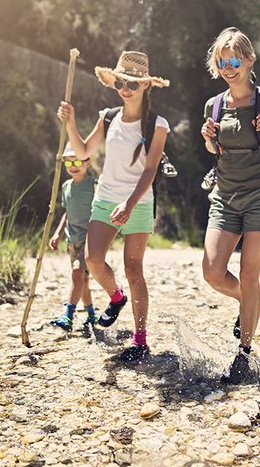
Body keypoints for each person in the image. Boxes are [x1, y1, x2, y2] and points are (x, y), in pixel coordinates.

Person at [200, 27, 260, 384]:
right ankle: (250, 304)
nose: (229, 67)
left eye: (235, 60)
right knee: (212, 271)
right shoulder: (214, 105)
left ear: (248, 60)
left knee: (248, 273)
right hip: (225, 196)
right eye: (222, 61)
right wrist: (210, 140)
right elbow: (216, 153)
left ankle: (243, 354)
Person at [57, 51, 170, 362]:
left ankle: (140, 340)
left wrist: (130, 204)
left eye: (133, 83)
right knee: (93, 260)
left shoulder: (157, 124)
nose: (126, 88)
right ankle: (115, 297)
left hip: (139, 203)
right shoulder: (108, 117)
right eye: (121, 82)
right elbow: (82, 150)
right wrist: (70, 122)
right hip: (105, 200)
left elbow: (150, 170)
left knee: (134, 269)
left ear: (146, 86)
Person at [48, 143, 97, 332]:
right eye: (68, 163)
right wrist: (58, 233)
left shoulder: (94, 185)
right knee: (82, 280)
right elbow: (66, 212)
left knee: (77, 273)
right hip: (72, 240)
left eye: (77, 161)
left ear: (88, 162)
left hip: (89, 239)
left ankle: (68, 315)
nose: (73, 166)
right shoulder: (66, 186)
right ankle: (92, 315)